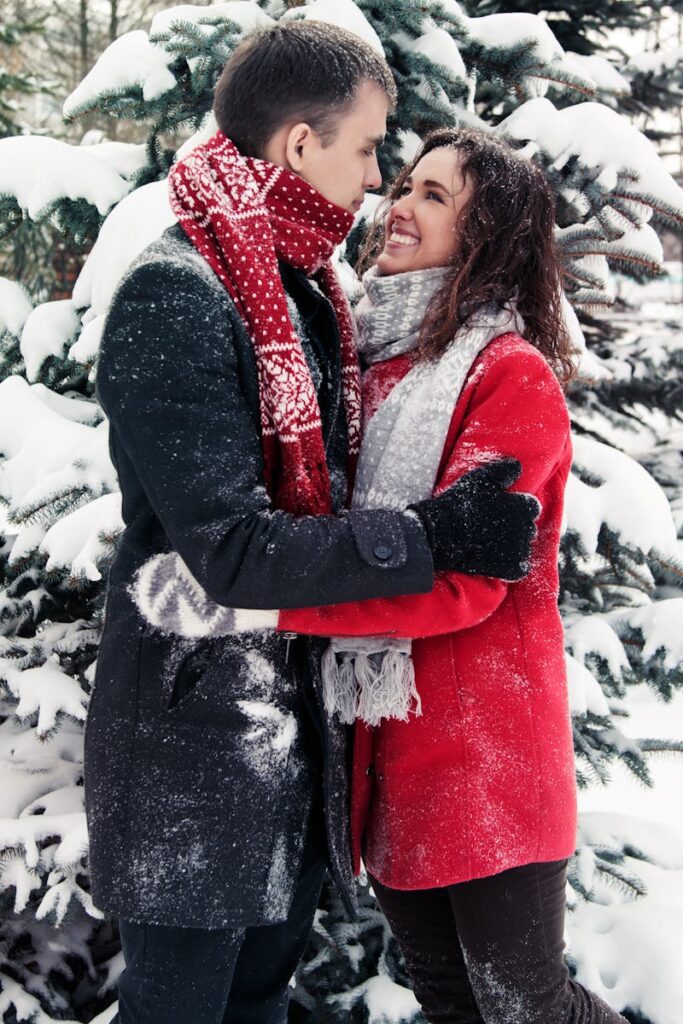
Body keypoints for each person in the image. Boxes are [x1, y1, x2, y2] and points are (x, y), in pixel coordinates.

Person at [88, 23, 539, 1024]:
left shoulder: (302, 294)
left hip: (290, 752)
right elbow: (232, 552)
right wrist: (430, 539)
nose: (377, 181)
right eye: (370, 147)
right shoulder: (179, 296)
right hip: (193, 760)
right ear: (299, 146)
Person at [269, 129, 630, 1023]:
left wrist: (269, 604)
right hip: (385, 749)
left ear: (485, 237)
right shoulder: (365, 362)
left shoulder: (507, 376)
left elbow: (463, 577)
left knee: (523, 1008)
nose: (399, 205)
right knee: (449, 1001)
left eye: (435, 197)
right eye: (406, 185)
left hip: (484, 753)